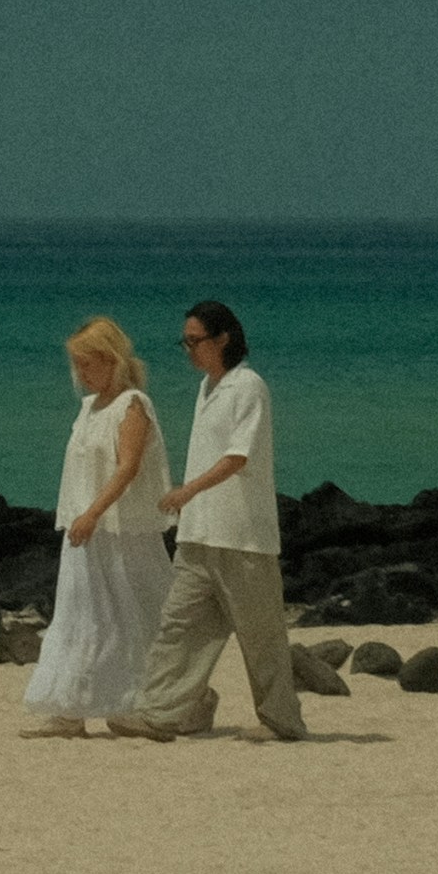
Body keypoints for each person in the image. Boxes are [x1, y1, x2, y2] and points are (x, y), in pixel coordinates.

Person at [122, 296, 304, 743]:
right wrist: (190, 503)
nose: (188, 350)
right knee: (178, 627)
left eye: (195, 341)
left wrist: (188, 490)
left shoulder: (248, 387)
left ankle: (283, 721)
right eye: (183, 342)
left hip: (243, 536)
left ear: (223, 338)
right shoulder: (208, 388)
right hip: (199, 535)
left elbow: (238, 457)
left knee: (260, 636)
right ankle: (158, 714)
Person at [23, 317, 174, 735]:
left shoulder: (133, 405)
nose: (81, 374)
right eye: (78, 366)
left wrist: (93, 512)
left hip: (120, 531)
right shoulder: (89, 408)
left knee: (130, 615)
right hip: (84, 530)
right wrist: (81, 515)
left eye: (88, 364)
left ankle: (131, 705)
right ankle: (70, 711)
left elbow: (128, 467)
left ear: (111, 361)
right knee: (80, 617)